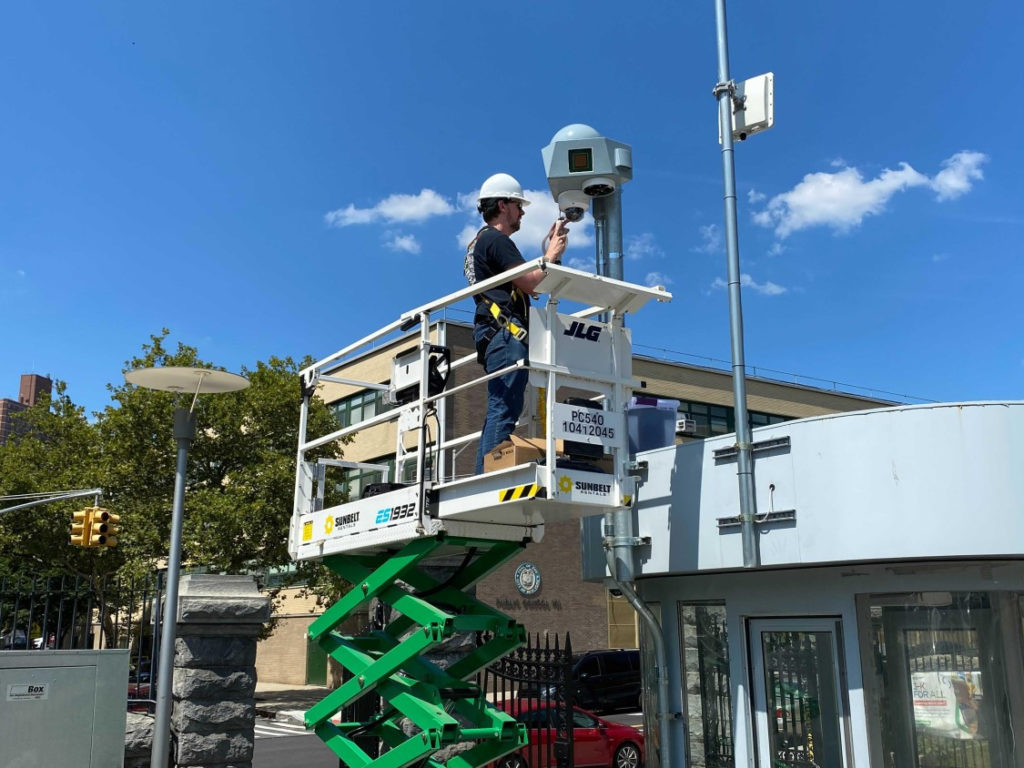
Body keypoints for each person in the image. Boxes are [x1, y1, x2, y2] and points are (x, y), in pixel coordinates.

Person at [465, 172, 568, 473]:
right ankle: (489, 478)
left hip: (495, 334)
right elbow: (531, 283)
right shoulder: (496, 240)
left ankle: (483, 475)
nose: (522, 212)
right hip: (505, 335)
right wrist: (551, 254)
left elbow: (529, 285)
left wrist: (548, 257)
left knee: (500, 408)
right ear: (502, 205)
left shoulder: (479, 242)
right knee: (504, 409)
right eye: (518, 205)